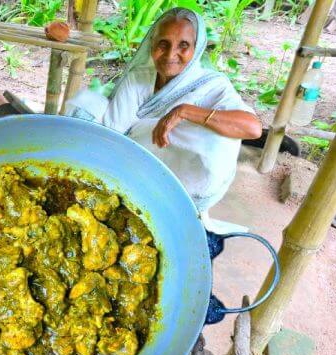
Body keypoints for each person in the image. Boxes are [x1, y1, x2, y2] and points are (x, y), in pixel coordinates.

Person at [66, 8, 261, 228]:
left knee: (215, 136)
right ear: (152, 44)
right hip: (134, 162)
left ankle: (176, 201)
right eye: (163, 44)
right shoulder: (139, 78)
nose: (170, 55)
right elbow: (117, 129)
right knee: (87, 102)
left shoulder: (211, 85)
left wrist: (184, 112)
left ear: (196, 49)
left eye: (183, 46)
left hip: (180, 177)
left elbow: (252, 128)